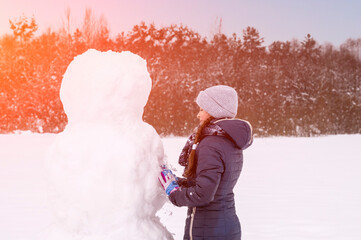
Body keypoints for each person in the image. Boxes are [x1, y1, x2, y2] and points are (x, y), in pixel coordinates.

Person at [158, 85, 253, 240]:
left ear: (214, 111)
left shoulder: (211, 144)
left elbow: (203, 195)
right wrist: (177, 182)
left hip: (208, 230)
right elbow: (215, 185)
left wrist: (173, 192)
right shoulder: (229, 140)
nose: (198, 114)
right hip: (225, 224)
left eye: (202, 109)